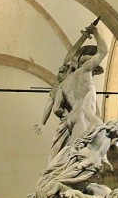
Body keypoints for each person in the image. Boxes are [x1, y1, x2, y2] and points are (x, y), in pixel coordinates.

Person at [36, 25, 108, 155]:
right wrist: (96, 32)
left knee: (66, 157)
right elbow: (103, 51)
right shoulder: (85, 71)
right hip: (82, 117)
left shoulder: (63, 85)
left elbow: (55, 108)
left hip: (70, 118)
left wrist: (61, 114)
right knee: (80, 156)